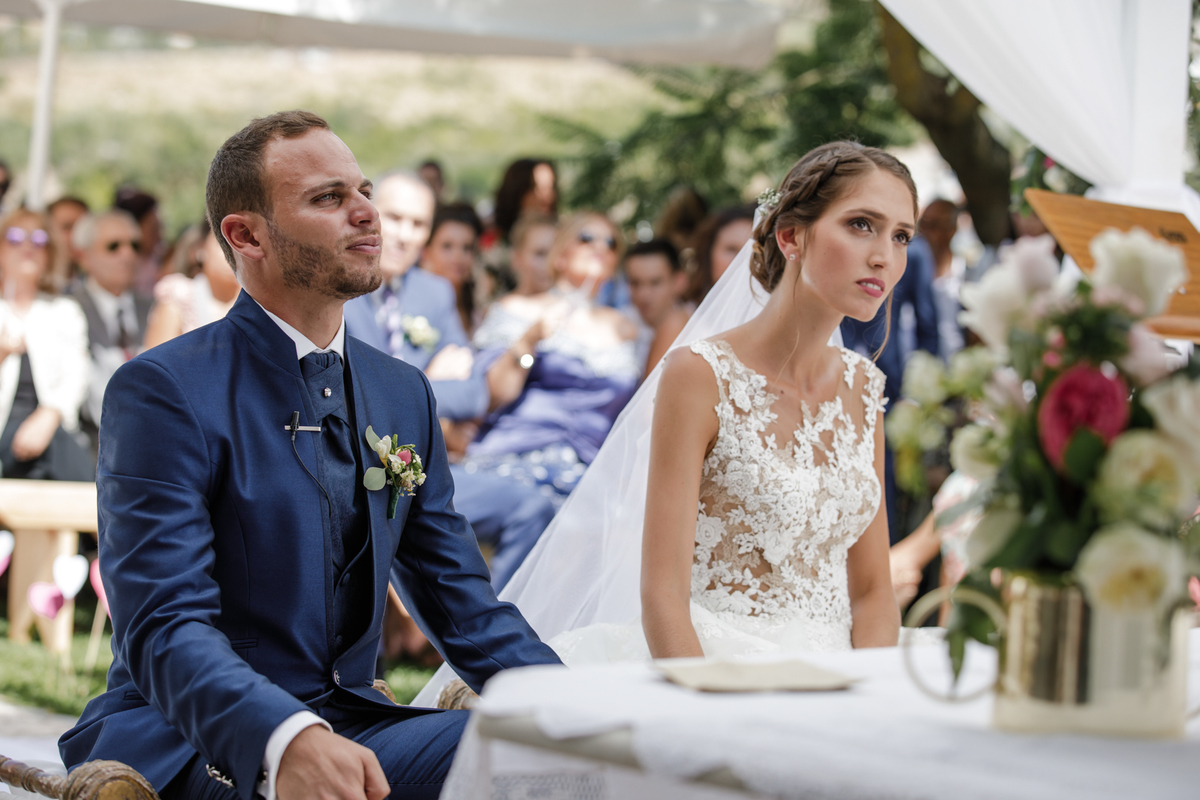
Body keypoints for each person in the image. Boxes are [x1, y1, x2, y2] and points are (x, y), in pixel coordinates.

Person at [59, 110, 561, 800]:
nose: (366, 213)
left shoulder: (402, 392)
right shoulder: (164, 389)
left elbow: (464, 607)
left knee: (556, 754)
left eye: (363, 191)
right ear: (246, 236)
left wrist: (584, 712)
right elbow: (164, 624)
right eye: (329, 198)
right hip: (191, 737)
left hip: (355, 722)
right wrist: (284, 736)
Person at [418, 142, 909, 703]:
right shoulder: (699, 374)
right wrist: (706, 712)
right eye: (861, 225)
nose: (884, 257)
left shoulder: (864, 389)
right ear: (791, 236)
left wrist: (871, 700)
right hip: (711, 666)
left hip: (841, 675)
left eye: (901, 236)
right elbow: (662, 595)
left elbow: (872, 592)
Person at [344, 172, 556, 596]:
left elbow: (475, 393)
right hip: (354, 479)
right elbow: (355, 395)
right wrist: (427, 382)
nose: (405, 234)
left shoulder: (434, 293)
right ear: (368, 214)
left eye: (418, 224)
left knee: (531, 508)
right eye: (394, 218)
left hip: (425, 475)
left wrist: (404, 391)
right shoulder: (339, 286)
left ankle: (491, 624)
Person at [462, 212, 641, 506]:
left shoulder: (628, 329)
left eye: (610, 243)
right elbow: (492, 395)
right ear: (560, 255)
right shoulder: (518, 309)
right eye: (586, 238)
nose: (599, 246)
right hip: (518, 457)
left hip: (591, 476)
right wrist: (529, 341)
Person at [0, 208, 92, 481]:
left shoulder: (63, 311)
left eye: (39, 239)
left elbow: (76, 377)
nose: (27, 247)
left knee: (61, 445)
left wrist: (49, 415)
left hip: (50, 433)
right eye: (15, 237)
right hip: (5, 431)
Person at [68, 209, 153, 455]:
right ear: (84, 257)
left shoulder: (156, 309)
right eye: (113, 246)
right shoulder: (67, 310)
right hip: (91, 450)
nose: (127, 254)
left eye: (134, 245)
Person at [142, 220, 241, 349]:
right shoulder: (179, 298)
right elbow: (155, 359)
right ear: (200, 248)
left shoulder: (257, 300)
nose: (232, 253)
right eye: (224, 244)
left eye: (240, 244)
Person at [625, 238, 689, 374]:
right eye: (635, 283)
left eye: (655, 283)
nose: (643, 294)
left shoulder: (684, 323)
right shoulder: (623, 319)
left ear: (679, 281)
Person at [419, 203, 482, 335]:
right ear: (426, 251)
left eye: (467, 248)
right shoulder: (413, 302)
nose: (458, 257)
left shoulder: (476, 310)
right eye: (447, 246)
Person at [684, 205, 755, 305]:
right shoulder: (685, 311)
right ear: (708, 253)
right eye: (732, 249)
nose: (741, 258)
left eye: (751, 251)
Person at [491, 158, 557, 245]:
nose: (547, 195)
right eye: (536, 188)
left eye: (550, 187)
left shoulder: (563, 235)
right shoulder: (493, 242)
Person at [507, 213, 557, 296]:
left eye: (556, 253)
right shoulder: (503, 304)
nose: (551, 262)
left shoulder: (573, 302)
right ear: (517, 258)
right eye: (540, 254)